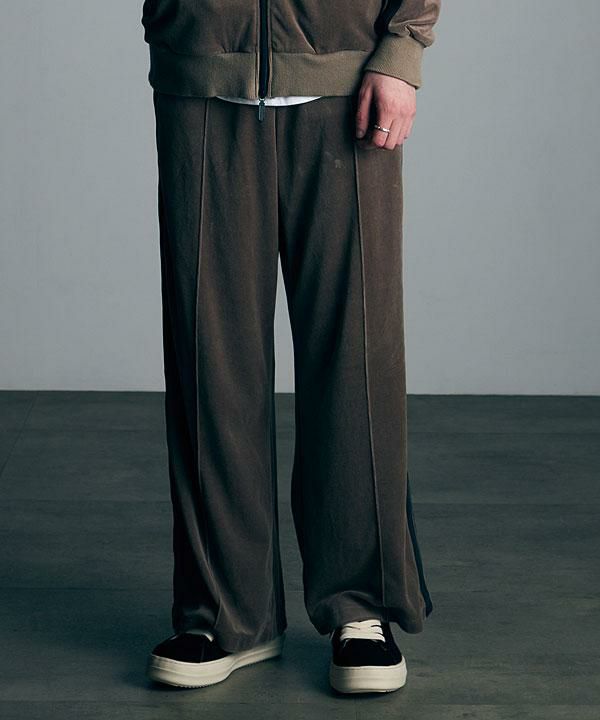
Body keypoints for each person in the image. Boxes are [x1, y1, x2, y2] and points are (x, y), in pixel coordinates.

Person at [140, 0, 441, 695]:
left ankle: (361, 607)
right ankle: (223, 612)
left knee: (356, 356)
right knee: (209, 359)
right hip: (202, 72)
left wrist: (402, 51)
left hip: (348, 81)